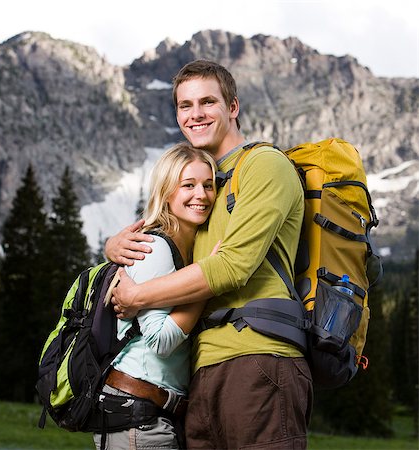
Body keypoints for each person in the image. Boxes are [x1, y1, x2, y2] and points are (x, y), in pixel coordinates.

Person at [106, 59, 313, 449]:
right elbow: (172, 245)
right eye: (185, 105)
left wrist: (137, 297)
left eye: (208, 102)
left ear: (232, 107)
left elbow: (232, 266)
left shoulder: (264, 165)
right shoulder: (206, 187)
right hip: (203, 371)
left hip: (258, 359)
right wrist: (114, 246)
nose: (196, 114)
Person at [94, 142, 217, 450]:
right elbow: (160, 341)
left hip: (147, 415)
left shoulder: (184, 247)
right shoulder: (155, 249)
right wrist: (208, 280)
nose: (201, 195)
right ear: (166, 192)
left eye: (208, 185)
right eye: (188, 185)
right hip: (137, 418)